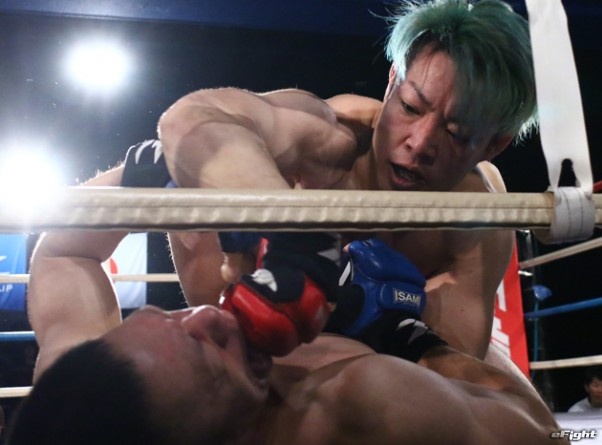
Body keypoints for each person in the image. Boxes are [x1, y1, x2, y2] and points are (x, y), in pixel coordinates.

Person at [28, 0, 535, 378]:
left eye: (457, 133)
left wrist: (367, 325)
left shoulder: (475, 223)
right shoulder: (320, 141)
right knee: (171, 165)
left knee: (512, 406)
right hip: (232, 347)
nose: (419, 143)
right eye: (410, 106)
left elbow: (449, 386)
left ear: (494, 144)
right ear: (390, 82)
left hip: (329, 383)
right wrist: (297, 238)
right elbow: (191, 119)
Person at [8, 302, 565, 445]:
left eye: (167, 313)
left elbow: (65, 253)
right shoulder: (368, 407)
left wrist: (142, 171)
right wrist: (414, 337)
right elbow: (544, 434)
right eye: (210, 348)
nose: (206, 313)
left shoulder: (74, 406)